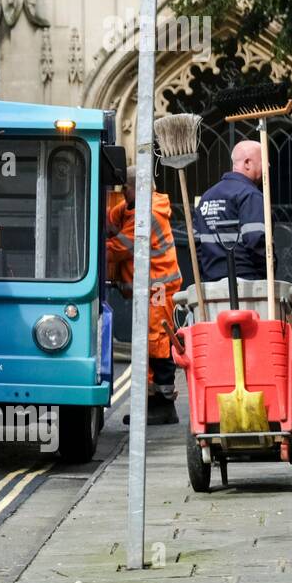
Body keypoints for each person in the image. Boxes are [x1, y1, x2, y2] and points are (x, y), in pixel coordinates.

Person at [106, 166, 183, 425]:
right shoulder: (133, 208)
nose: (121, 194)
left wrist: (90, 248)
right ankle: (150, 402)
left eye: (124, 189)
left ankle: (163, 405)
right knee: (148, 344)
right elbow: (111, 219)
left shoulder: (148, 215)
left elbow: (120, 249)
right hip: (149, 289)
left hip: (158, 289)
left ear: (133, 189)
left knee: (158, 342)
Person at [192, 139, 268, 282]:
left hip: (212, 288)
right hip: (248, 286)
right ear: (247, 163)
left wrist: (207, 276)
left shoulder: (206, 197)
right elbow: (256, 240)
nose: (268, 165)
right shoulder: (250, 195)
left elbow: (196, 245)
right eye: (264, 160)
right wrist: (266, 274)